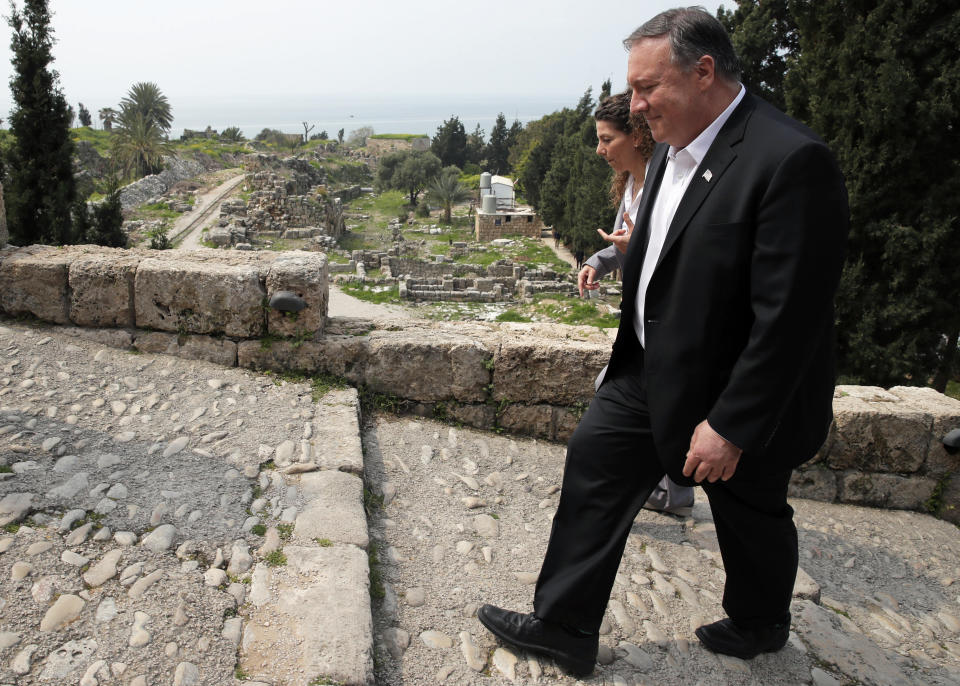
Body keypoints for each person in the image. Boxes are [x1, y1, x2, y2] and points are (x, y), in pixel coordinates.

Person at [478, 7, 849, 677]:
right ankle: (564, 625)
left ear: (703, 71)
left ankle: (761, 622)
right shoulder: (674, 147)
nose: (636, 104)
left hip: (735, 392)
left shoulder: (789, 160)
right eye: (634, 89)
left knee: (751, 510)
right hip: (648, 371)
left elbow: (791, 316)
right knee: (594, 464)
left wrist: (731, 425)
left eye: (648, 88)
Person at [579, 90, 694, 517]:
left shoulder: (667, 183)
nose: (600, 149)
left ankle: (658, 492)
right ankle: (667, 492)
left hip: (668, 318)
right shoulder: (629, 184)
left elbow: (678, 246)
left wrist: (637, 245)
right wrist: (598, 261)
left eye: (608, 139)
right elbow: (622, 245)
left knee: (617, 393)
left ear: (637, 136)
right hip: (642, 318)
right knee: (648, 404)